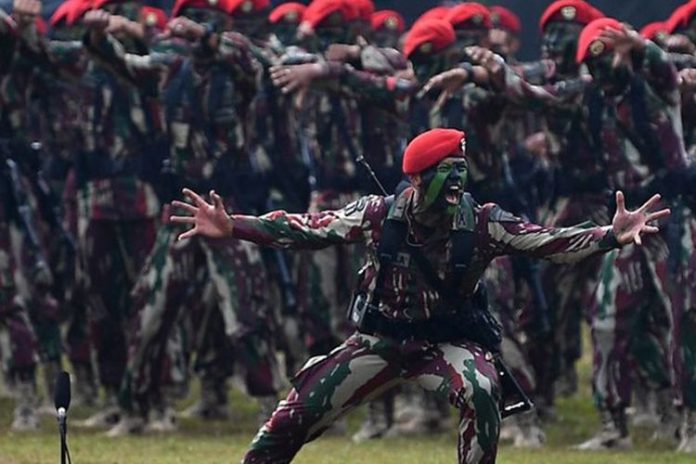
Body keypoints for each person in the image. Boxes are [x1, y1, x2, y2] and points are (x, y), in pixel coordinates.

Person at [170, 127, 669, 464]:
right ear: (415, 179)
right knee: (297, 411)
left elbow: (548, 243)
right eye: (444, 173)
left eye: (460, 171)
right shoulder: (377, 215)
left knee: (481, 388)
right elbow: (307, 229)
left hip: (445, 344)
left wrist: (610, 234)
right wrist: (232, 225)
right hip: (379, 342)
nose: (455, 183)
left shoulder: (482, 222)